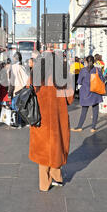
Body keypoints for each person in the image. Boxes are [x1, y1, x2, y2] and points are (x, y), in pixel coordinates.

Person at [29, 53, 74, 192]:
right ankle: (57, 175)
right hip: (57, 119)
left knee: (43, 150)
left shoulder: (35, 75)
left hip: (40, 119)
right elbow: (70, 99)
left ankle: (44, 183)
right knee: (57, 146)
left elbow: (29, 91)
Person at [71, 55, 104, 133]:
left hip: (85, 92)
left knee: (84, 110)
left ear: (86, 62)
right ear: (94, 62)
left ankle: (79, 126)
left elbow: (79, 81)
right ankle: (93, 127)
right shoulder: (97, 70)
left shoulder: (83, 70)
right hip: (95, 92)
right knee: (95, 110)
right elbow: (102, 79)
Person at [8, 52, 29, 128]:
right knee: (21, 107)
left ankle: (17, 123)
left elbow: (11, 82)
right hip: (23, 90)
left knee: (15, 107)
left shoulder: (13, 67)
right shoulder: (22, 67)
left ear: (15, 58)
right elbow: (26, 79)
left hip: (16, 90)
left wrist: (9, 93)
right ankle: (22, 122)